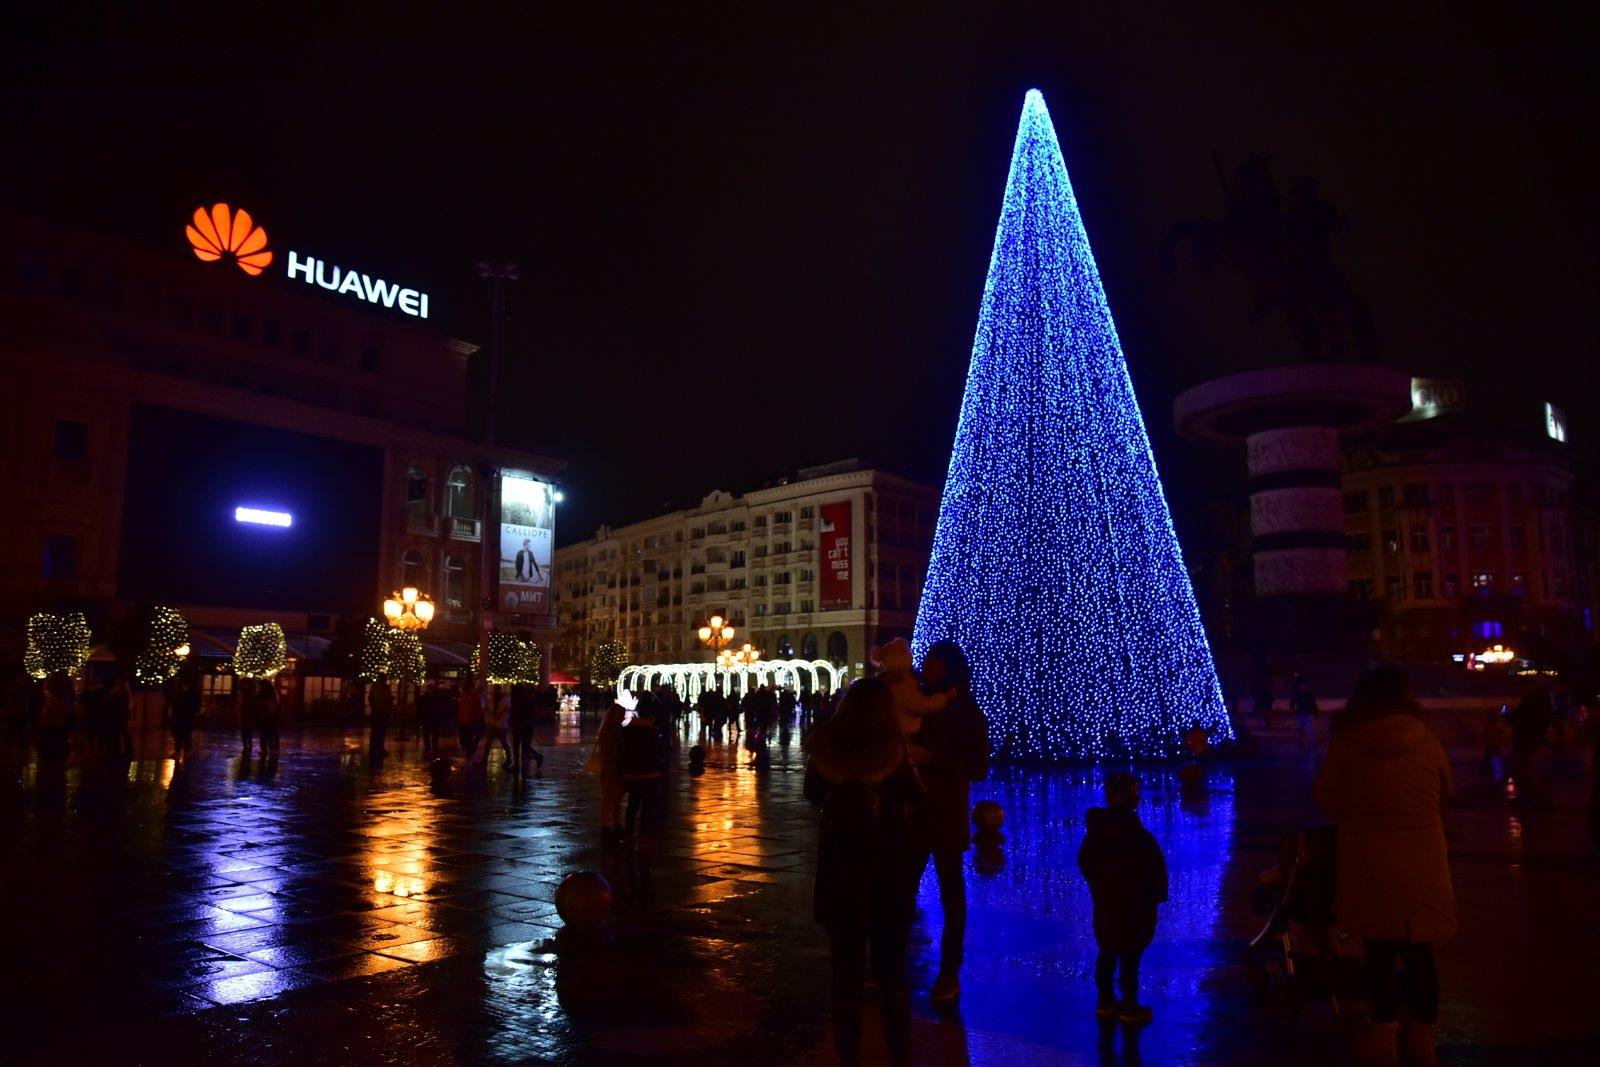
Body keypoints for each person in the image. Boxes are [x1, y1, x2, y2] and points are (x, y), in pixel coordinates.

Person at [1315, 666, 1455, 1067]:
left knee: (1379, 951)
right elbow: (1446, 790)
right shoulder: (1426, 740)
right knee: (1421, 954)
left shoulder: (1347, 742)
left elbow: (1328, 800)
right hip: (1424, 860)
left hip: (1370, 861)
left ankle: (1384, 1039)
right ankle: (1423, 1043)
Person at [805, 678, 917, 1067]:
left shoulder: (825, 746)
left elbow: (812, 793)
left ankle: (849, 1056)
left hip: (840, 875)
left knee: (845, 975)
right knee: (891, 976)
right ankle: (899, 1054)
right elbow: (918, 796)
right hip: (886, 875)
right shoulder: (892, 750)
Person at [907, 639, 991, 1002]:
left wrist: (932, 756)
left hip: (945, 812)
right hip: (915, 810)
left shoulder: (966, 710)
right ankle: (889, 962)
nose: (924, 665)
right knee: (900, 888)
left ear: (947, 667)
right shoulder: (920, 703)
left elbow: (978, 767)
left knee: (951, 896)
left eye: (932, 661)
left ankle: (949, 971)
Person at [1077, 771, 1168, 1024]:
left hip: (1106, 903)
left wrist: (1100, 885)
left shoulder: (1098, 831)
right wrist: (1151, 896)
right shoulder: (1136, 834)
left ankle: (1106, 1001)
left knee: (1107, 952)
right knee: (1130, 957)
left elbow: (1085, 860)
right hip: (1133, 906)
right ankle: (1129, 1005)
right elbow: (1152, 869)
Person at [875, 637, 952, 737]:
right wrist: (944, 697)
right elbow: (923, 704)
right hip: (906, 733)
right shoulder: (901, 685)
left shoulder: (888, 682)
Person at [619, 695, 667, 839]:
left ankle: (628, 830)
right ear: (652, 715)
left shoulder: (627, 730)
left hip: (631, 773)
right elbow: (659, 752)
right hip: (649, 774)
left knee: (632, 804)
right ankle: (644, 833)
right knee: (648, 806)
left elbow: (622, 750)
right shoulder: (652, 731)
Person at [596, 701, 627, 843]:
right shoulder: (613, 730)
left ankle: (611, 823)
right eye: (622, 715)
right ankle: (611, 824)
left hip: (609, 767)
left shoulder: (607, 728)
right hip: (612, 768)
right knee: (612, 798)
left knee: (611, 798)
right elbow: (613, 750)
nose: (624, 717)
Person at [510, 682, 543, 776]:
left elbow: (527, 714)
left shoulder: (523, 700)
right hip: (522, 726)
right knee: (522, 746)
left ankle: (519, 764)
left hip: (523, 726)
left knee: (521, 746)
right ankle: (522, 763)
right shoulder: (525, 699)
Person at [170, 673, 199, 763]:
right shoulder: (185, 694)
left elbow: (192, 706)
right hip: (182, 717)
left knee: (184, 735)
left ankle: (185, 751)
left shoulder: (189, 695)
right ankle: (181, 751)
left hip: (184, 717)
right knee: (181, 735)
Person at [105, 674, 133, 759]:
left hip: (119, 715)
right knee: (121, 732)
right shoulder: (122, 692)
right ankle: (123, 750)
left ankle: (120, 750)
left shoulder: (120, 692)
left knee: (120, 732)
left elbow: (112, 702)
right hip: (120, 715)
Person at [457, 682, 483, 759]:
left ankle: (470, 753)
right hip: (468, 721)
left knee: (466, 740)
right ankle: (470, 752)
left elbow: (461, 709)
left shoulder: (464, 697)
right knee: (468, 739)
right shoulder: (472, 696)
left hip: (467, 721)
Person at [1292, 674, 1318, 749]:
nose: (1303, 687)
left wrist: (1316, 712)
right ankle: (1300, 741)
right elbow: (1293, 702)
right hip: (1300, 714)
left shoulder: (1309, 695)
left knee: (1309, 729)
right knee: (1300, 729)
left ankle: (1311, 741)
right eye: (1302, 686)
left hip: (1307, 714)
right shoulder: (1297, 694)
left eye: (1304, 686)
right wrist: (1292, 706)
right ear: (1300, 686)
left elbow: (1313, 703)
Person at [369, 679, 393, 759]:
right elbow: (388, 699)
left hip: (376, 713)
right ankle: (379, 749)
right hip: (383, 713)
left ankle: (374, 749)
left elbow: (370, 699)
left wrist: (374, 707)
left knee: (375, 732)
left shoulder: (374, 687)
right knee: (381, 733)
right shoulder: (386, 688)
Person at [258, 679, 281, 760]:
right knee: (270, 734)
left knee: (268, 733)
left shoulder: (266, 696)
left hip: (267, 718)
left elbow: (272, 708)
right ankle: (271, 749)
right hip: (268, 718)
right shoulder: (272, 695)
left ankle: (268, 749)